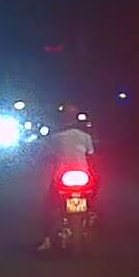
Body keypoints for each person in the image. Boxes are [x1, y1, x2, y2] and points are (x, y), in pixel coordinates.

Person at [37, 103, 96, 251]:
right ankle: (91, 213)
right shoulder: (85, 136)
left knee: (48, 206)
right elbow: (91, 156)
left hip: (62, 178)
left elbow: (47, 156)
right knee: (93, 195)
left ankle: (47, 239)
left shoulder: (54, 138)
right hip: (83, 177)